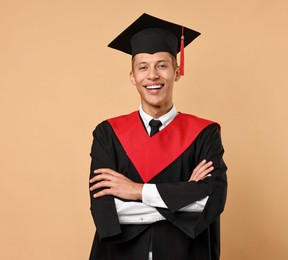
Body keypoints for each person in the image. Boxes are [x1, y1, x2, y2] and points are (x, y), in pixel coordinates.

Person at [88, 13, 227, 260]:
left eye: (162, 66)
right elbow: (106, 211)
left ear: (177, 72)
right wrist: (183, 197)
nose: (152, 75)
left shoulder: (205, 134)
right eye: (143, 67)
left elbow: (210, 203)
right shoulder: (108, 134)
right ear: (133, 77)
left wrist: (137, 191)